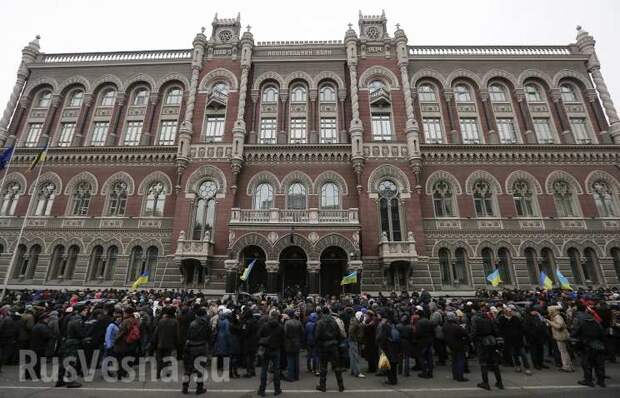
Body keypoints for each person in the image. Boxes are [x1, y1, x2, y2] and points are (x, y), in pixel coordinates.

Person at [571, 302, 606, 387]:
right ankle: (601, 381)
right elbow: (601, 331)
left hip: (586, 344)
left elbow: (575, 332)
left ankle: (588, 380)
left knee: (587, 364)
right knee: (599, 364)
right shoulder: (593, 319)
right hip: (598, 344)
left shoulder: (578, 319)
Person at [471, 304, 503, 391]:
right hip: (491, 341)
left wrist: (471, 340)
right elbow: (495, 331)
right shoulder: (489, 319)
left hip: (482, 342)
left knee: (483, 363)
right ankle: (499, 382)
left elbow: (474, 331)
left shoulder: (475, 319)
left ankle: (486, 383)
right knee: (494, 362)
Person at [314, 306, 345, 392]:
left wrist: (318, 344)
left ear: (322, 313)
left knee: (323, 367)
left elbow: (317, 335)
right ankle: (341, 385)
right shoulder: (334, 321)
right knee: (336, 366)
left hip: (324, 346)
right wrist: (336, 342)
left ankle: (322, 386)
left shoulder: (319, 322)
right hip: (333, 345)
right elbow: (339, 334)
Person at [182, 306, 211, 395]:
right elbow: (209, 336)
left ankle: (185, 387)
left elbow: (188, 335)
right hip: (202, 346)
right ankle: (199, 388)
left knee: (188, 369)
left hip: (191, 346)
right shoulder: (207, 324)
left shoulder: (192, 324)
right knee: (200, 369)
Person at [257, 308, 284, 397]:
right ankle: (277, 389)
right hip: (276, 350)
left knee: (264, 370)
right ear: (277, 317)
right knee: (276, 370)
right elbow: (283, 339)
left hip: (266, 349)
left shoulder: (265, 325)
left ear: (270, 316)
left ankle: (262, 390)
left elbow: (258, 335)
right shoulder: (280, 326)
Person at [497, 306, 532, 375]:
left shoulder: (516, 318)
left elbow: (521, 327)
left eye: (511, 311)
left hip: (519, 339)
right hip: (509, 340)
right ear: (505, 312)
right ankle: (517, 366)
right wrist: (504, 336)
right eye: (509, 311)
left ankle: (527, 368)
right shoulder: (502, 319)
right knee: (514, 354)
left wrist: (521, 334)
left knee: (523, 354)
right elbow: (500, 329)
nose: (510, 312)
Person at [546, 305, 573, 372]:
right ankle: (567, 365)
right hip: (560, 336)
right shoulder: (556, 316)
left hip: (560, 336)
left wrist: (549, 322)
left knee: (563, 352)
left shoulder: (557, 317)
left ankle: (566, 366)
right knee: (564, 351)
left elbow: (559, 326)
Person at [376, 309, 400, 386]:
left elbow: (382, 337)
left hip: (388, 347)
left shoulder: (384, 325)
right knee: (394, 364)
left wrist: (381, 345)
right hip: (395, 345)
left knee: (388, 364)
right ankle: (395, 379)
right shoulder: (394, 323)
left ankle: (391, 380)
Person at [153, 307, 178, 379]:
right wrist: (177, 344)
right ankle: (166, 372)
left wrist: (154, 342)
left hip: (160, 343)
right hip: (170, 343)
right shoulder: (175, 322)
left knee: (159, 359)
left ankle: (158, 373)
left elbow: (156, 333)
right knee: (167, 359)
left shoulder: (161, 321)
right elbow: (176, 334)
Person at [442, 312, 468, 382]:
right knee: (460, 360)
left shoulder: (445, 325)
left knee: (454, 361)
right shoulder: (456, 327)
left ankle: (455, 375)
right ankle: (460, 376)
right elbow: (465, 333)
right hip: (459, 345)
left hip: (450, 345)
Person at [283, 309, 303, 382]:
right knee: (296, 360)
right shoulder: (298, 322)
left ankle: (290, 376)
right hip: (297, 342)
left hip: (289, 343)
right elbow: (302, 332)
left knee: (290, 360)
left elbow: (285, 333)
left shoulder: (287, 323)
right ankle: (296, 376)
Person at [30, 313, 52, 380]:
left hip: (35, 345)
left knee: (35, 361)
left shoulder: (36, 325)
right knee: (39, 361)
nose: (48, 320)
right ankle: (37, 375)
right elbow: (46, 336)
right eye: (47, 319)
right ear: (44, 319)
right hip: (40, 346)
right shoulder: (43, 326)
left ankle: (33, 374)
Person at [348, 311, 365, 378]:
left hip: (352, 341)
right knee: (356, 357)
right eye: (362, 316)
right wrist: (356, 338)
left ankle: (353, 370)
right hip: (354, 341)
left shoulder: (354, 321)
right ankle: (357, 372)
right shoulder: (355, 323)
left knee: (353, 356)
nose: (363, 318)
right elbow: (351, 332)